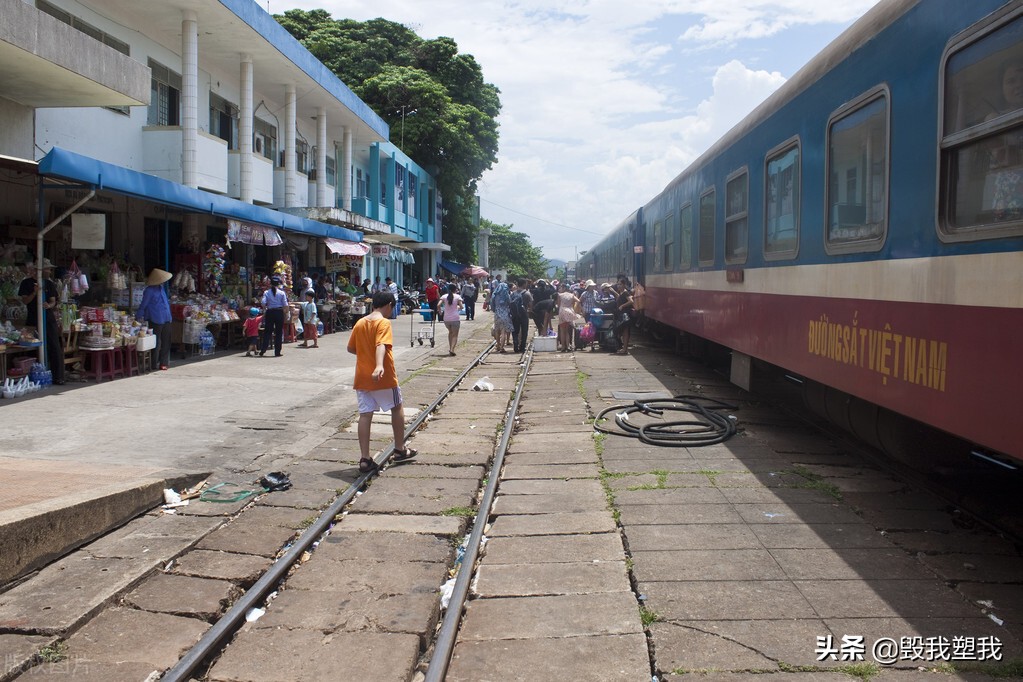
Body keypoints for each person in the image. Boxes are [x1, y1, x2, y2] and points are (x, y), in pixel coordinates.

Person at [346, 291, 418, 474]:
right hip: (383, 378)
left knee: (365, 415)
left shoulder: (360, 322)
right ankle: (400, 449)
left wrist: (366, 358)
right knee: (397, 407)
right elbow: (381, 345)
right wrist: (378, 365)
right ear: (388, 305)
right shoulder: (383, 323)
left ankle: (365, 458)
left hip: (362, 377)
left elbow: (351, 348)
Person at [19, 258, 65, 383]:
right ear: (40, 270)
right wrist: (34, 293)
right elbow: (25, 301)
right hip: (33, 319)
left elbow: (53, 301)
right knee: (32, 346)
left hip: (48, 319)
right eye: (48, 269)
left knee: (54, 346)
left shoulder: (49, 284)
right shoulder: (26, 283)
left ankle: (58, 377)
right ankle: (34, 376)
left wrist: (48, 305)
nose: (50, 271)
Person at [135, 267, 173, 372]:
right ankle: (153, 364)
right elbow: (144, 304)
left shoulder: (161, 289)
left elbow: (165, 303)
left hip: (166, 318)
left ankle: (163, 363)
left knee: (166, 342)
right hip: (155, 318)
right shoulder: (149, 291)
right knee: (156, 343)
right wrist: (138, 317)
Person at [259, 275, 288, 357]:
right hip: (279, 313)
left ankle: (263, 350)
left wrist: (266, 309)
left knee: (267, 332)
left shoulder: (266, 292)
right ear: (278, 284)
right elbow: (285, 305)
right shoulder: (282, 293)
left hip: (270, 312)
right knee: (278, 332)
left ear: (270, 284)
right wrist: (286, 314)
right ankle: (277, 352)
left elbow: (263, 303)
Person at [438, 283, 464, 356]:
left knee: (450, 332)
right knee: (455, 335)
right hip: (455, 318)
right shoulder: (457, 296)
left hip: (446, 319)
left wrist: (440, 312)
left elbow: (438, 305)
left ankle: (450, 348)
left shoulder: (444, 296)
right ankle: (452, 349)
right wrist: (457, 308)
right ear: (455, 289)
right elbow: (461, 307)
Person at [489, 274, 512, 352]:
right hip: (505, 314)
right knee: (503, 332)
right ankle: (502, 347)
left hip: (497, 314)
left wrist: (495, 310)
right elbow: (510, 303)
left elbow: (492, 305)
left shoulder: (494, 295)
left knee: (497, 331)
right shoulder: (507, 295)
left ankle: (498, 345)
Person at [556, 282, 581, 352]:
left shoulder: (560, 295)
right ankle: (568, 346)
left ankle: (563, 346)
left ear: (564, 288)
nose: (559, 289)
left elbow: (558, 305)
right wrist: (574, 308)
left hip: (562, 311)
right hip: (569, 312)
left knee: (562, 330)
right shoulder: (571, 295)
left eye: (561, 288)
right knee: (567, 331)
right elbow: (578, 301)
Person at [614, 276, 635, 355]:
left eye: (620, 284)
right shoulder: (621, 292)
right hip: (622, 315)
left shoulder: (625, 292)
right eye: (618, 284)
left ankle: (625, 349)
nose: (618, 286)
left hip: (626, 315)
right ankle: (624, 348)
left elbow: (631, 301)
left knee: (625, 332)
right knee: (623, 332)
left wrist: (622, 306)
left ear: (624, 285)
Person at [510, 278, 532, 353]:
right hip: (524, 314)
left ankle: (515, 345)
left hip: (514, 314)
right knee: (524, 331)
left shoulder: (513, 293)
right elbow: (531, 304)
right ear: (523, 284)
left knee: (515, 331)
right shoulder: (527, 293)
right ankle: (522, 347)